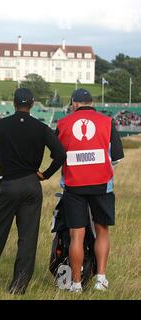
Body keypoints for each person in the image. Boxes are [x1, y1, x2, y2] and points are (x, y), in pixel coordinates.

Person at [0, 88, 66, 294]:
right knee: (27, 237)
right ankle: (19, 285)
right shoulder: (41, 128)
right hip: (31, 185)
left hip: (8, 185)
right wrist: (46, 174)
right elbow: (60, 154)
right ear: (32, 104)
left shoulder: (0, 125)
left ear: (13, 103)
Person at [56, 89, 124, 293]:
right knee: (102, 230)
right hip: (102, 184)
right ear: (91, 102)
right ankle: (100, 279)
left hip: (73, 185)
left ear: (74, 103)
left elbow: (57, 154)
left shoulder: (62, 123)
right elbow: (117, 157)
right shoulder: (107, 121)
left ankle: (76, 284)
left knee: (76, 235)